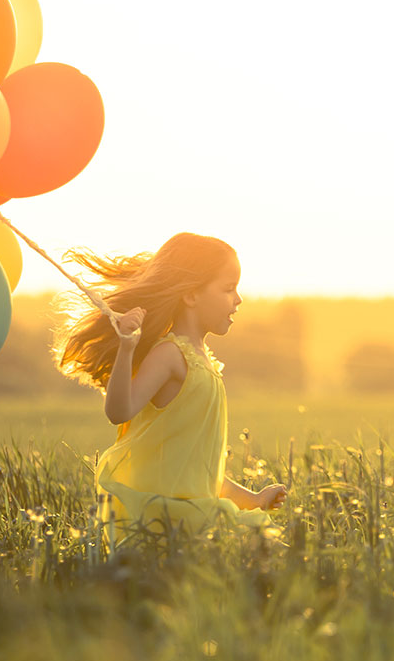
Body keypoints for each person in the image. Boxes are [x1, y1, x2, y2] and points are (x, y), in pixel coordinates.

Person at [52, 232, 288, 544]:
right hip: (168, 522)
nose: (238, 298)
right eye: (228, 288)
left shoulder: (205, 364)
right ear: (191, 295)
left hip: (197, 515)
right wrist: (126, 349)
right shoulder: (170, 355)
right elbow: (118, 411)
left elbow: (201, 471)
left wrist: (254, 499)